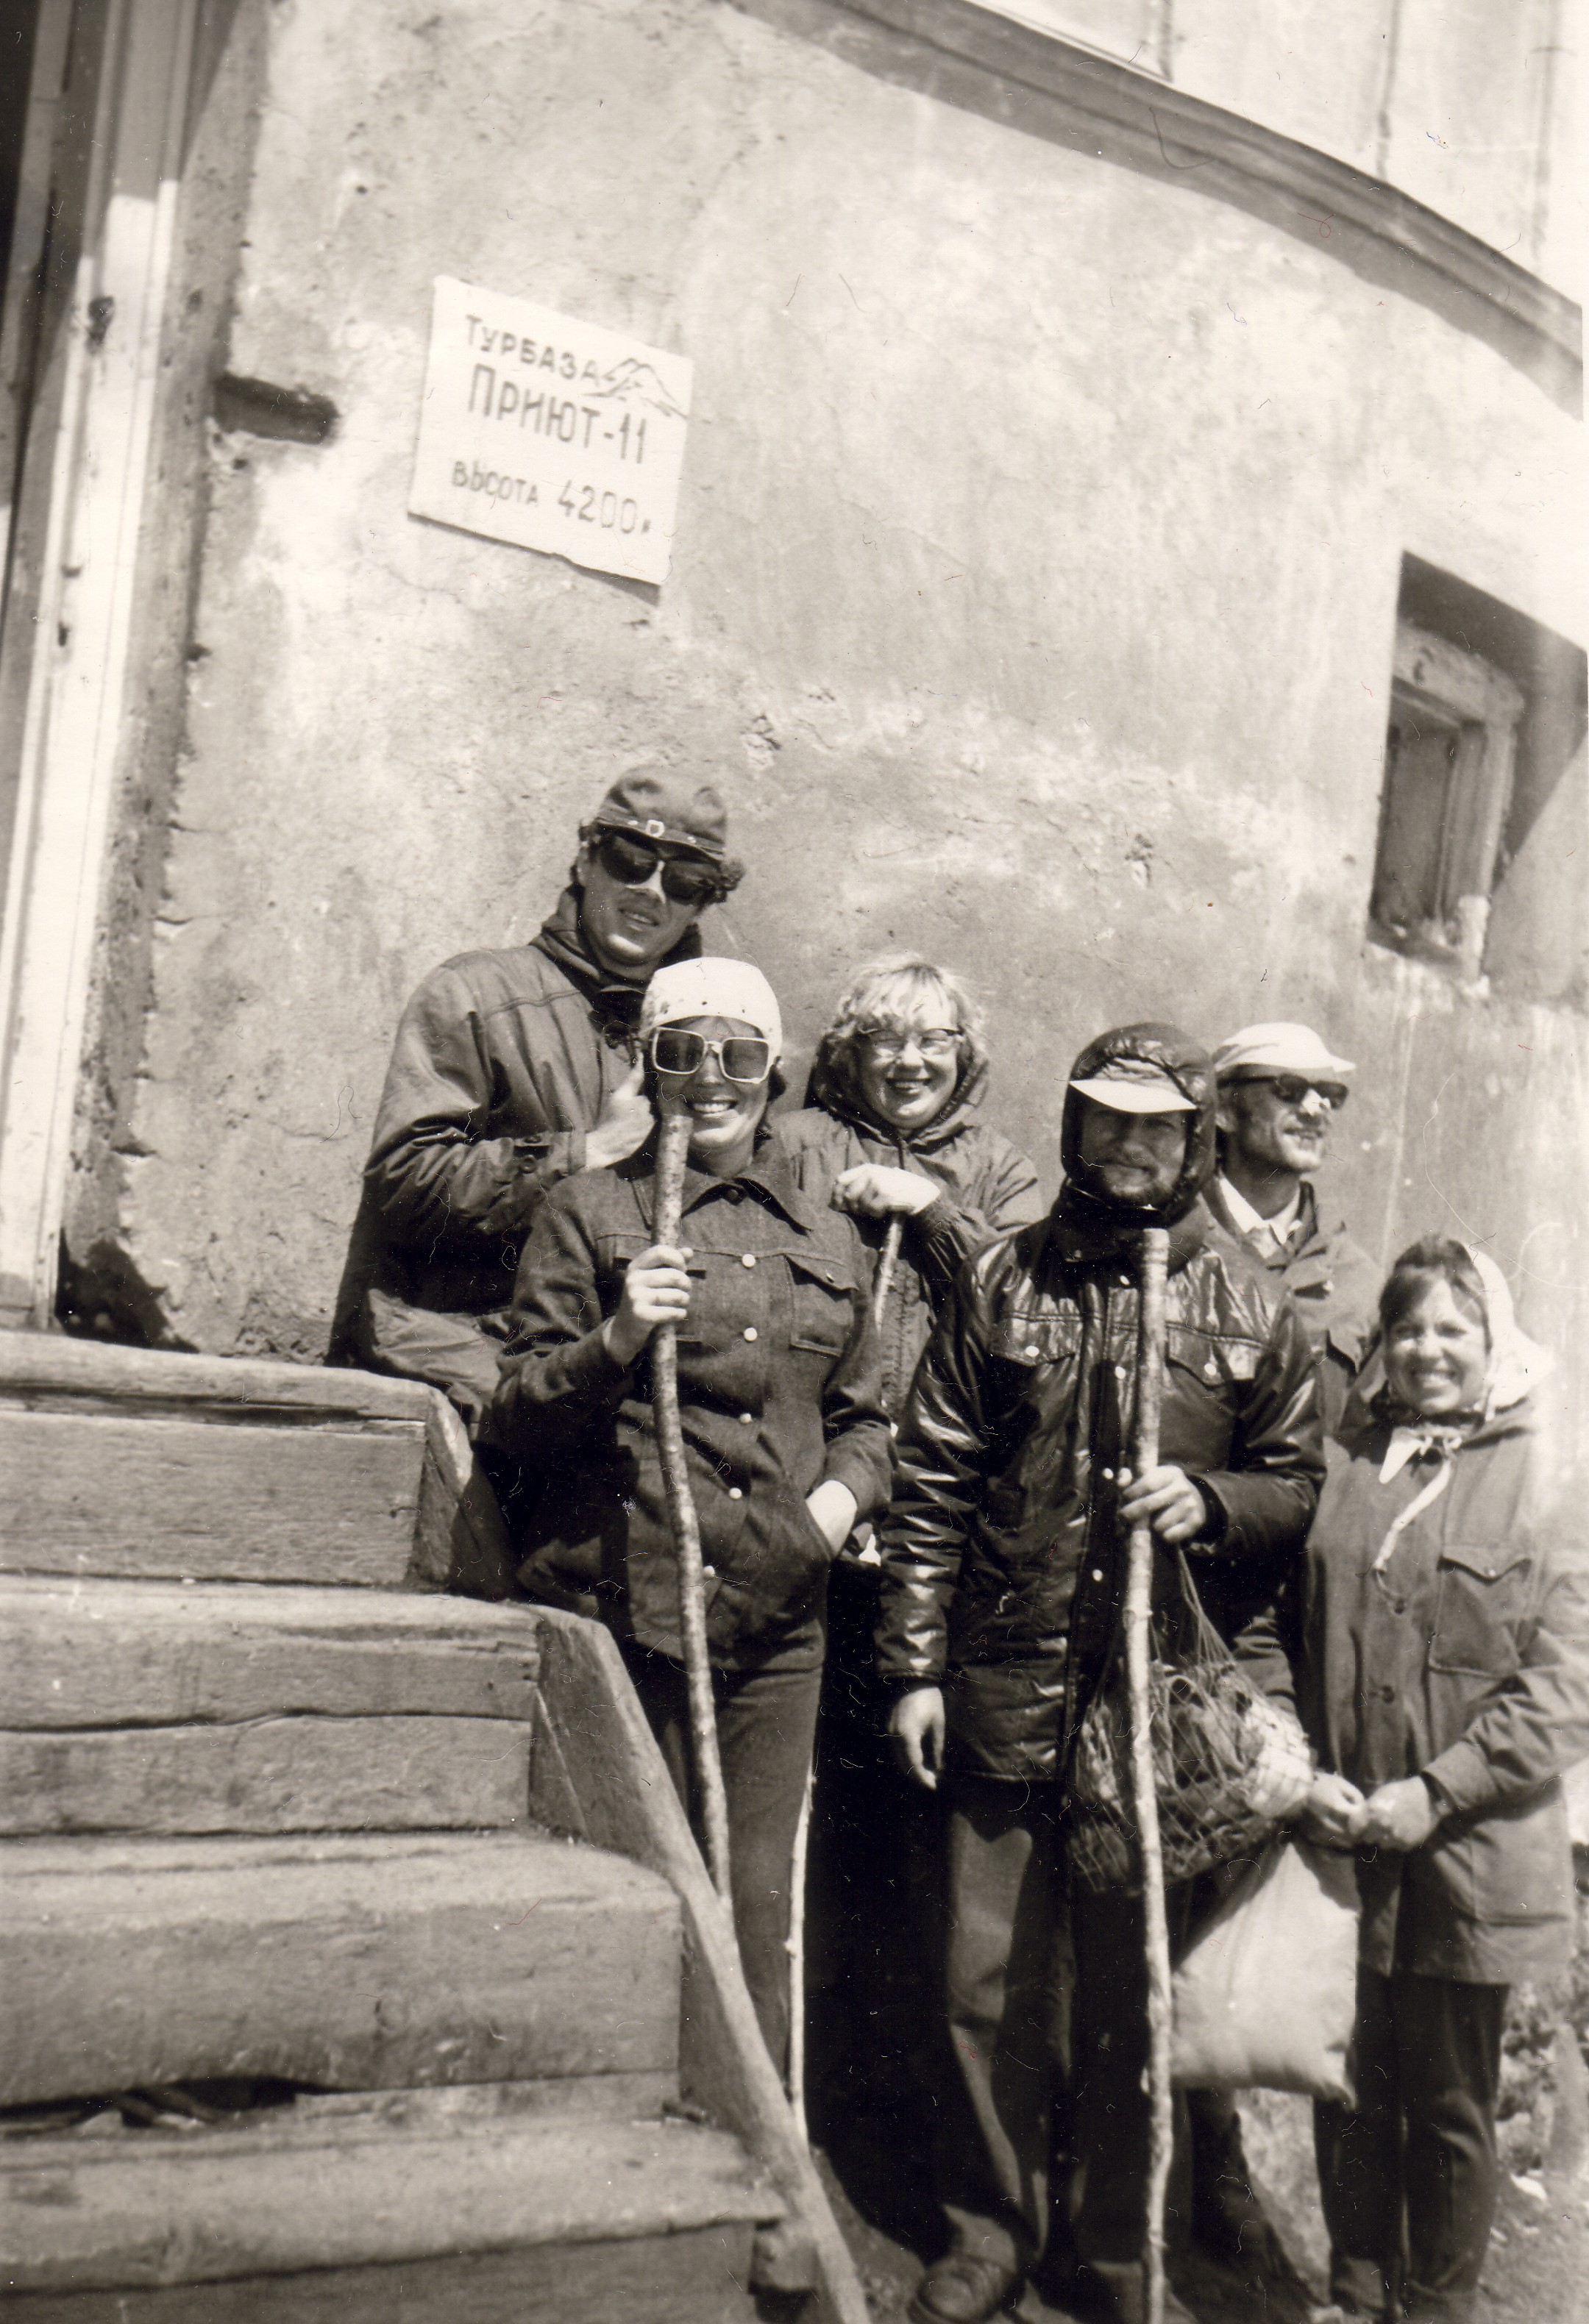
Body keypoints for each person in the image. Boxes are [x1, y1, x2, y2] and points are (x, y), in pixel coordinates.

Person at [875, 1022, 1323, 2324]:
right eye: (1109, 1120)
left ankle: (1114, 2253)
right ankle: (988, 2234)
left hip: (1157, 1702)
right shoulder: (1006, 1281)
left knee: (1131, 1996)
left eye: (1159, 1125)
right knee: (983, 1982)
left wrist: (1216, 1499)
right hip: (1007, 1678)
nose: (1133, 1145)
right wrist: (916, 1668)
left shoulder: (1246, 1300)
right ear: (1076, 1126)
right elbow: (934, 1478)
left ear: (1196, 1139)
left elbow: (1298, 1487)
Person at [487, 958, 892, 2072]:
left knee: (756, 1910)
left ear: (777, 1072)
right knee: (627, 1895)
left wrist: (825, 1515)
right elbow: (514, 1413)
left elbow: (870, 1422)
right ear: (648, 1067)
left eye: (741, 1056)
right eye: (682, 1053)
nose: (712, 1081)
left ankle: (759, 2160)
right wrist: (614, 1342)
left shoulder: (830, 1236)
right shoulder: (588, 1210)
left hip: (774, 1630)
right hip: (627, 1614)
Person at [1278, 1238, 1589, 2324]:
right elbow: (1291, 1625)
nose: (1428, 1351)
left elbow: (1566, 1688)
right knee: (1348, 2083)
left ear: (1495, 1342)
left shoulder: (1551, 1471)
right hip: (1344, 1829)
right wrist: (1301, 1773)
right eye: (1407, 1329)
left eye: (1453, 1330)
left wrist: (1437, 1791)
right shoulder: (1351, 1460)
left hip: (1469, 1850)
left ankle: (1440, 2309)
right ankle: (1355, 2297)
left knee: (1450, 2105)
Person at [774, 956, 1044, 2138]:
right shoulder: (796, 1145)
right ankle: (792, 2057)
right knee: (804, 1793)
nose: (912, 1059)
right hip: (810, 1501)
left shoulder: (998, 1171)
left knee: (909, 1815)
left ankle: (885, 2086)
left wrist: (933, 1212)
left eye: (936, 1040)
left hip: (939, 1530)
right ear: (849, 1053)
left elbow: (1027, 1317)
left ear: (966, 1057)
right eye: (886, 1037)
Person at [334, 769, 742, 1431]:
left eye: (685, 881)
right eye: (630, 862)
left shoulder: (708, 1036)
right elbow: (403, 1186)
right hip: (472, 1350)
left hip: (626, 1364)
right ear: (586, 859)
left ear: (702, 903)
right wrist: (585, 1154)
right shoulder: (476, 993)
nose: (651, 892)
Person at [1208, 1022, 1379, 1439]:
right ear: (1226, 1110)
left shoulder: (1360, 1281)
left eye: (1330, 1095)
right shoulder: (1170, 1242)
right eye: (1290, 1088)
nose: (1315, 1108)